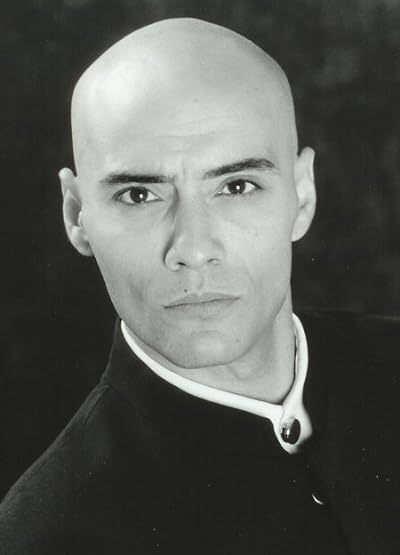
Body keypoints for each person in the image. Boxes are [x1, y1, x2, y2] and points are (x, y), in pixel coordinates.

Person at [0, 17, 399, 555]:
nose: (192, 248)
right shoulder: (47, 537)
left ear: (302, 195)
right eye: (139, 195)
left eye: (237, 186)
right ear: (77, 215)